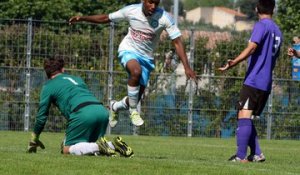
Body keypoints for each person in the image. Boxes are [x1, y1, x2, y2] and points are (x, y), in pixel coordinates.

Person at [68, 0, 196, 128]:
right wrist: (82, 18)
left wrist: (187, 67)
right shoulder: (131, 10)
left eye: (156, 4)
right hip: (128, 50)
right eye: (150, 2)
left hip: (147, 59)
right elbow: (106, 17)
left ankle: (115, 106)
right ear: (143, 1)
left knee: (133, 98)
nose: (153, 6)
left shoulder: (165, 18)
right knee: (136, 72)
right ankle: (134, 111)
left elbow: (177, 42)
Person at [27, 57, 133, 157]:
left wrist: (34, 137)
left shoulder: (48, 86)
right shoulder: (76, 78)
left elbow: (41, 116)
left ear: (47, 73)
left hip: (83, 114)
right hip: (102, 111)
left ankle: (101, 146)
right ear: (62, 69)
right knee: (88, 147)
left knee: (66, 148)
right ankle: (114, 146)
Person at [218, 0, 282, 163]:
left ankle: (240, 156)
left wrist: (234, 62)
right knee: (246, 117)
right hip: (266, 82)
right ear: (273, 9)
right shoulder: (278, 31)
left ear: (256, 8)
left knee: (243, 116)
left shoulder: (261, 26)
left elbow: (252, 47)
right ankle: (257, 154)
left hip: (254, 80)